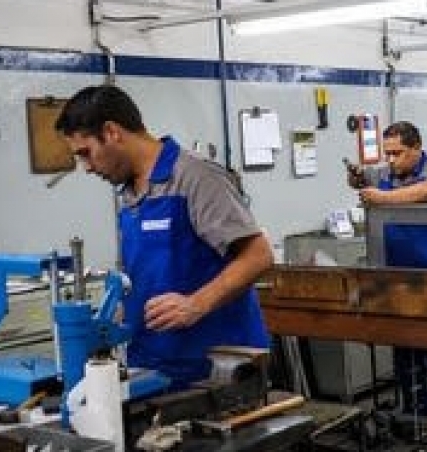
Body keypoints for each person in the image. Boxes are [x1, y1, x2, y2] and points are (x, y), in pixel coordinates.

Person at [55, 85, 274, 390]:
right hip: (153, 367)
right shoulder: (130, 194)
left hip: (214, 373)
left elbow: (259, 256)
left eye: (86, 153)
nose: (87, 168)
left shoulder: (197, 178)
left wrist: (195, 304)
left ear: (111, 132)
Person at [348, 121, 427, 422]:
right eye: (387, 153)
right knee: (407, 357)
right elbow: (363, 180)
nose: (391, 160)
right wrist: (355, 178)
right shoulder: (385, 173)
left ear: (416, 148)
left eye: (398, 153)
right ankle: (416, 421)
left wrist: (383, 198)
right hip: (397, 282)